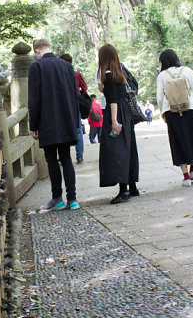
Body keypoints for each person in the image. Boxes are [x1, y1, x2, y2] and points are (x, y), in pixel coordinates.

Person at [28, 39, 80, 210]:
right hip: (66, 120)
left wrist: (33, 125)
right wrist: (75, 122)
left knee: (52, 160)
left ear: (36, 51)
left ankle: (57, 198)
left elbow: (34, 99)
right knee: (66, 158)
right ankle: (72, 199)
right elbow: (74, 96)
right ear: (50, 48)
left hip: (47, 121)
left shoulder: (37, 67)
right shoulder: (66, 66)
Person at [156, 48, 193, 186]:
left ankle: (185, 176)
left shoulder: (162, 75)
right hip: (190, 108)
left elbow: (160, 97)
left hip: (172, 111)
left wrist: (163, 113)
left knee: (178, 142)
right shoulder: (187, 71)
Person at [97, 43, 139, 203]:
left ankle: (123, 190)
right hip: (126, 112)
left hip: (115, 113)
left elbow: (112, 100)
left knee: (116, 150)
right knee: (128, 147)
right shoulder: (121, 73)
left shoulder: (108, 75)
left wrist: (114, 121)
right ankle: (132, 186)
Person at [60, 53, 88, 163]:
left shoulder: (59, 74)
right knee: (79, 128)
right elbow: (85, 88)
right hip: (75, 102)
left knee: (62, 127)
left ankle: (63, 156)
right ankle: (79, 155)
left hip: (62, 103)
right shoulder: (76, 73)